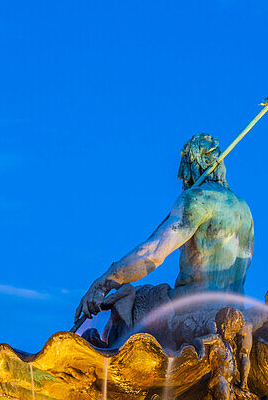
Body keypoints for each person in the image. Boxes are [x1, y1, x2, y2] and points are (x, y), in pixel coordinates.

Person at [75, 133, 254, 348]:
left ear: (193, 163)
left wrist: (102, 283)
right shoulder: (244, 210)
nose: (183, 178)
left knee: (130, 298)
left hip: (191, 309)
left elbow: (152, 253)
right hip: (233, 313)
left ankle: (111, 358)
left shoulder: (197, 198)